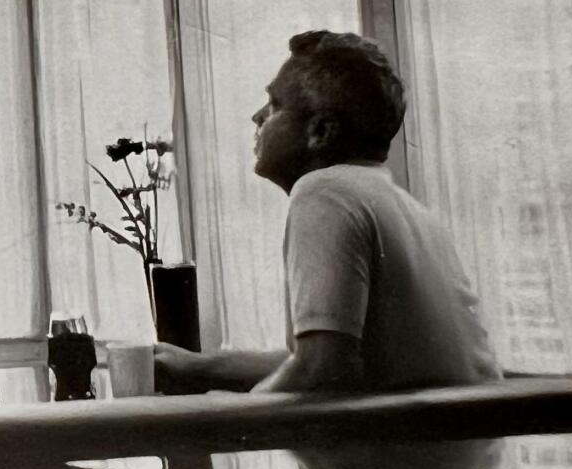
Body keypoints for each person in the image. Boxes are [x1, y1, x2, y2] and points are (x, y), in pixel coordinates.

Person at [155, 31, 498, 395]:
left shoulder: (323, 192)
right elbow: (330, 357)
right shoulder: (399, 205)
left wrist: (222, 420)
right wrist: (196, 366)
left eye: (274, 105)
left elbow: (321, 369)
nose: (256, 117)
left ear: (320, 131)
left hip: (392, 452)